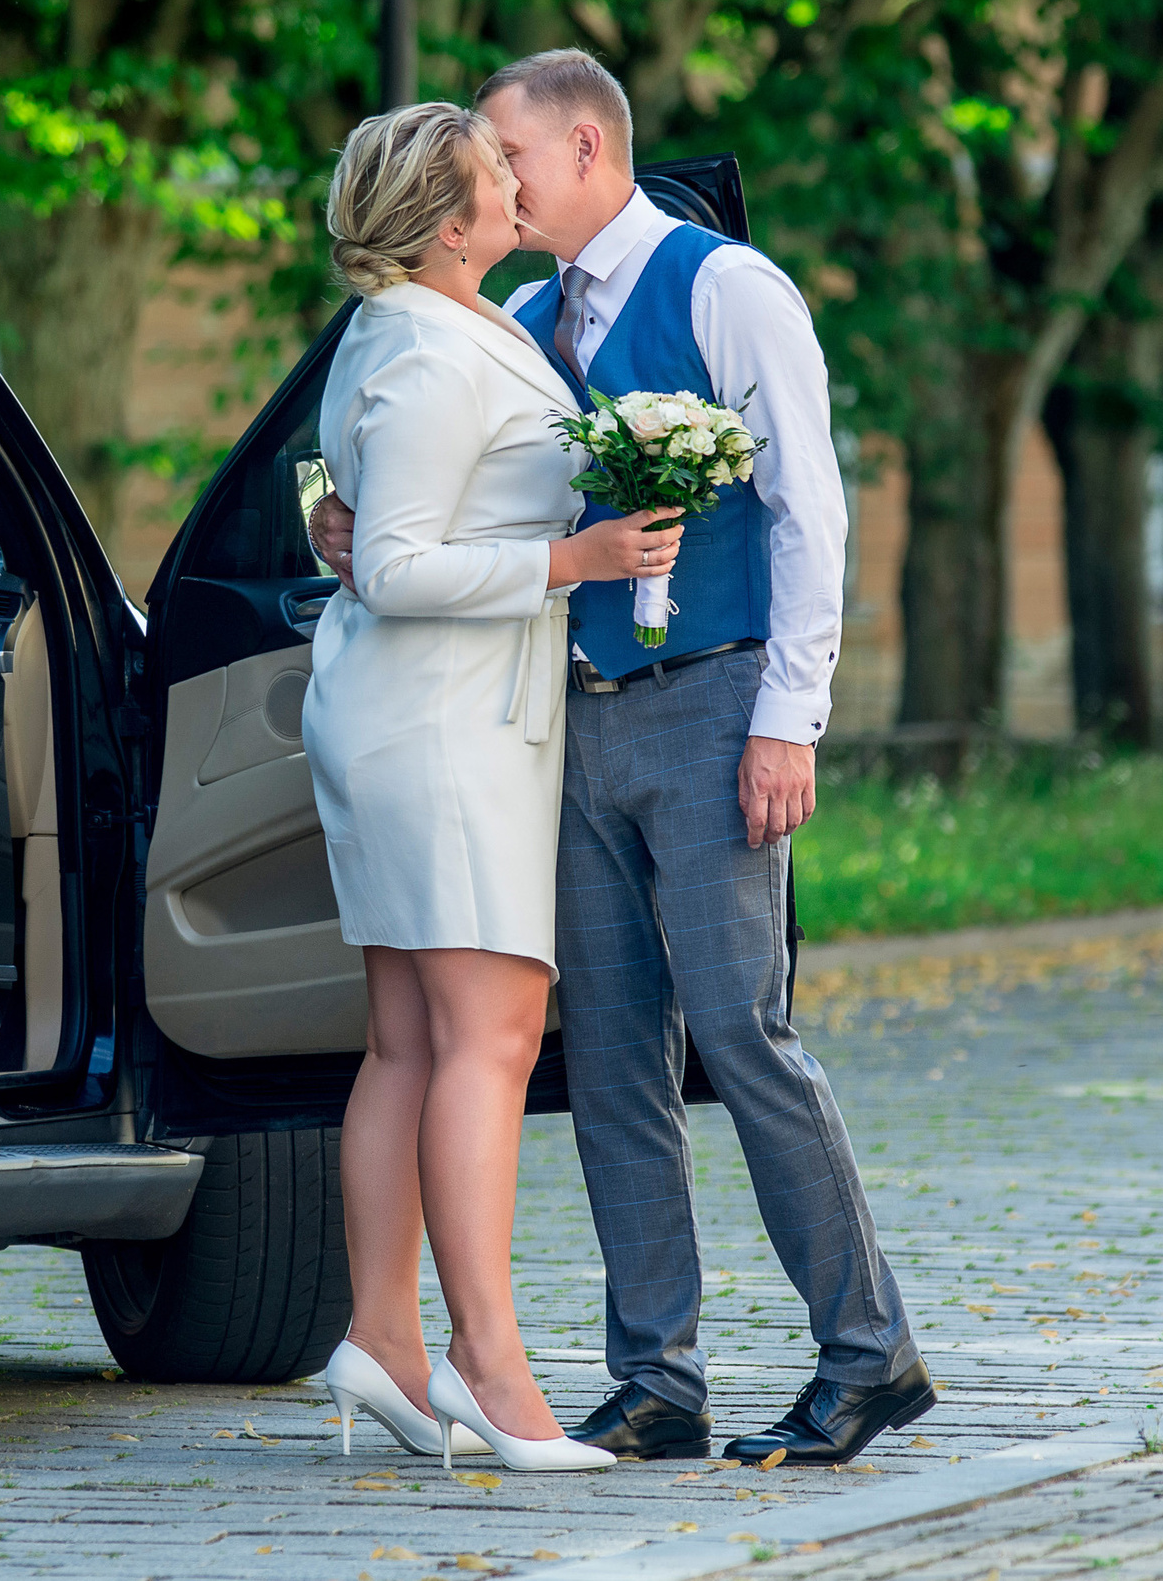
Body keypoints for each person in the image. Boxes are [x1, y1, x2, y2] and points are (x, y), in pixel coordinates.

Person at [309, 51, 934, 1467]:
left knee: (742, 1033)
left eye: (511, 158)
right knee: (606, 1063)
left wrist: (793, 713)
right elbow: (433, 489)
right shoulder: (514, 317)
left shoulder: (728, 288)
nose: (498, 181)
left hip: (716, 705)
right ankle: (656, 1372)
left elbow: (806, 511)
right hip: (562, 722)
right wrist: (335, 533)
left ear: (584, 146)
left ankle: (866, 1349)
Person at [303, 100, 686, 1473]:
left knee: (412, 1039)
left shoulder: (436, 326)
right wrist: (567, 567)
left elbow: (373, 522)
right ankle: (489, 1366)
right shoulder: (422, 345)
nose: (515, 180)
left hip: (433, 717)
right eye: (490, 173)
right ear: (450, 225)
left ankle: (387, 1346)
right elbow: (398, 567)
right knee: (490, 1038)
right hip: (442, 724)